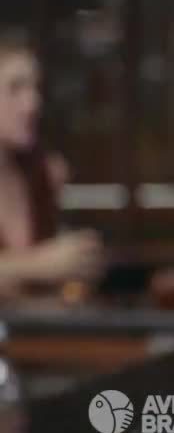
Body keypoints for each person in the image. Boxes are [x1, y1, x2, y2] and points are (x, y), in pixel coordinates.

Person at [0, 33, 101, 296]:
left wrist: (75, 264)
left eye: (34, 88)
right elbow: (45, 265)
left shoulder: (42, 172)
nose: (33, 104)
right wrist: (38, 265)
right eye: (15, 88)